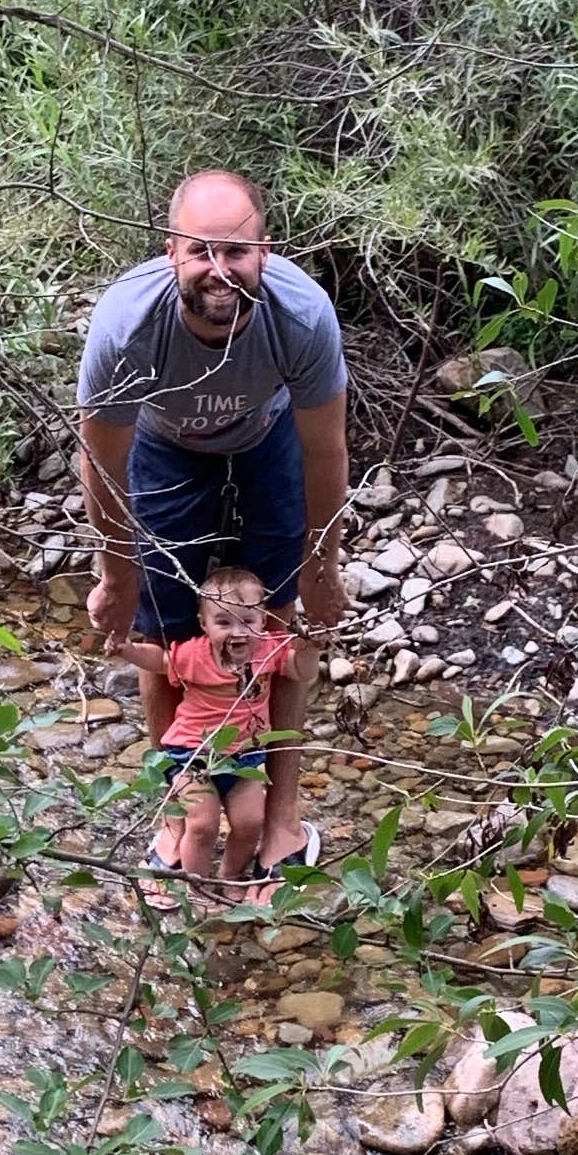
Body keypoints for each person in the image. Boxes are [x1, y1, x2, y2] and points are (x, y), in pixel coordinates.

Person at [78, 167, 349, 868]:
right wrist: (117, 575)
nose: (218, 270)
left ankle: (280, 824)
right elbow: (101, 459)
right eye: (201, 251)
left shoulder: (302, 315)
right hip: (166, 448)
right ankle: (178, 817)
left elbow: (326, 449)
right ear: (170, 252)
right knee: (164, 627)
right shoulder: (126, 327)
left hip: (270, 439)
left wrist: (325, 565)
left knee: (282, 618)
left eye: (236, 251)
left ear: (266, 252)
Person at [155, 563, 295, 890]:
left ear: (263, 620)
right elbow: (160, 662)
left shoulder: (268, 648)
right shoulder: (195, 655)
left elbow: (298, 670)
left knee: (250, 823)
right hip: (192, 755)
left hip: (244, 756)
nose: (238, 632)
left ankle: (231, 878)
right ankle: (199, 887)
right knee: (202, 825)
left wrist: (312, 646)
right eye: (223, 622)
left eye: (248, 620)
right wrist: (126, 649)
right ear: (204, 624)